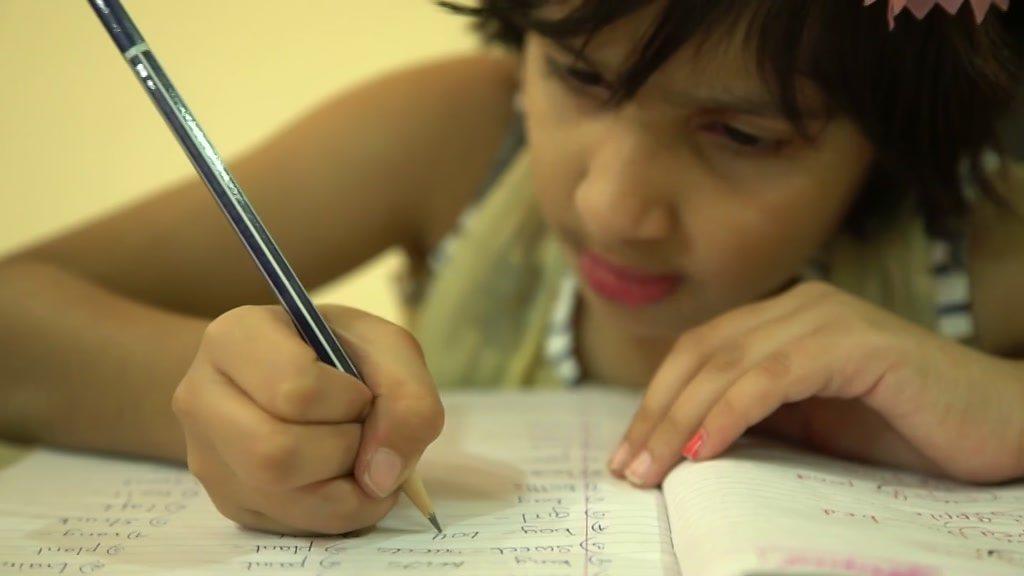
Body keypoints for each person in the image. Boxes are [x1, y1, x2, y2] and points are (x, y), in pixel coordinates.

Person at [0, 0, 1022, 536]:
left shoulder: (981, 239)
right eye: (579, 76)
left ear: (893, 141)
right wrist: (238, 401)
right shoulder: (449, 140)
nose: (610, 207)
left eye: (744, 135)